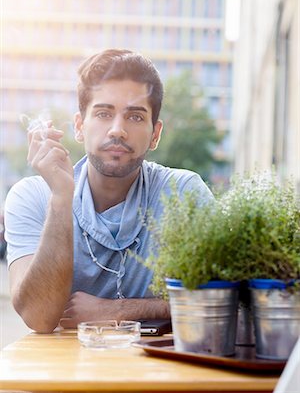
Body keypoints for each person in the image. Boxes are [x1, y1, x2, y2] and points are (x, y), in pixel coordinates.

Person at [4, 49, 213, 333]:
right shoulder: (32, 196)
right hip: (63, 372)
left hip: (159, 371)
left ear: (155, 133)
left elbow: (219, 302)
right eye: (103, 113)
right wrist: (62, 197)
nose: (118, 130)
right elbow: (38, 317)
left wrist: (115, 311)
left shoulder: (183, 193)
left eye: (136, 117)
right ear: (79, 126)